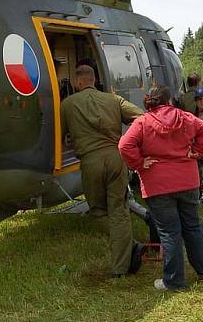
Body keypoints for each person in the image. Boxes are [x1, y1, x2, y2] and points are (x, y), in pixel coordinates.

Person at [118, 85, 203, 291]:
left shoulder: (143, 122)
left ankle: (174, 281)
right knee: (192, 226)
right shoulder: (185, 117)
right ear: (169, 100)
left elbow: (124, 145)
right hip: (187, 179)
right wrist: (196, 152)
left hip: (158, 182)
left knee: (170, 232)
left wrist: (139, 163)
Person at [61, 64, 144, 278]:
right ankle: (124, 257)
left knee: (97, 211)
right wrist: (127, 141)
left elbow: (60, 135)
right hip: (116, 157)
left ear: (77, 82)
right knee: (119, 211)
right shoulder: (112, 99)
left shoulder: (67, 104)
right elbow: (140, 117)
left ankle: (123, 259)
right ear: (95, 80)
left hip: (90, 162)